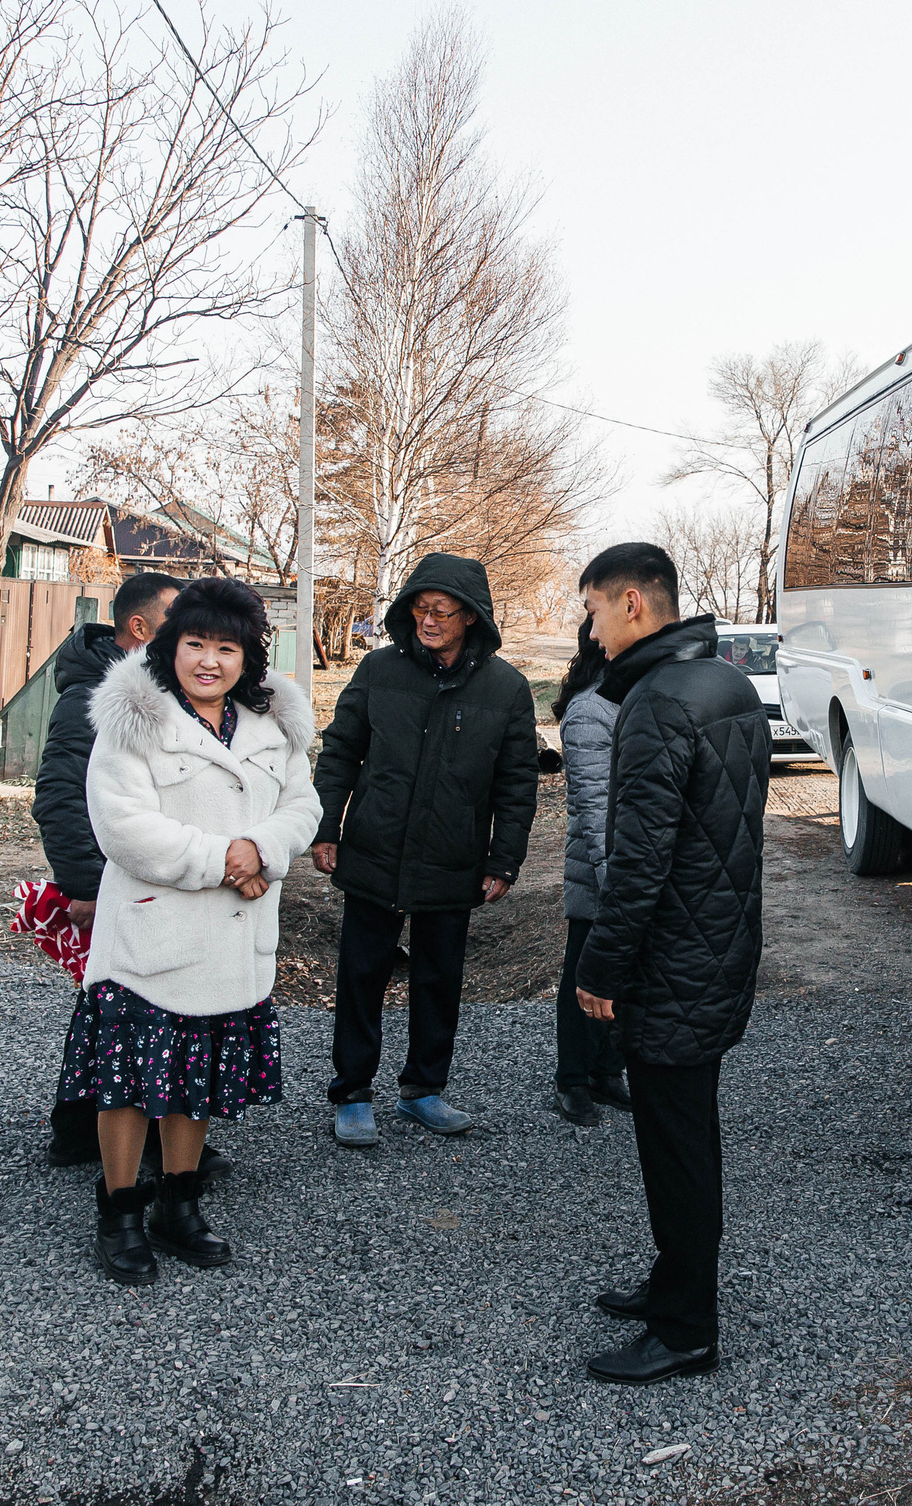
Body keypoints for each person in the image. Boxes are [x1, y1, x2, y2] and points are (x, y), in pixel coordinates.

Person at [70, 578, 319, 1283]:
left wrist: (263, 849)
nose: (209, 660)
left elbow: (303, 805)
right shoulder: (136, 720)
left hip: (233, 937)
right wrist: (226, 857)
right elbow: (123, 826)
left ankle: (179, 1203)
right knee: (126, 1084)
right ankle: (119, 1211)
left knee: (196, 1080)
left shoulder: (272, 724)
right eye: (196, 644)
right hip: (151, 941)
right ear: (170, 646)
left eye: (226, 647)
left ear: (249, 657)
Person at [571, 543, 769, 1385]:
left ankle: (687, 1326)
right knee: (689, 1135)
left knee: (675, 1146)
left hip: (672, 960)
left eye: (592, 610)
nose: (591, 628)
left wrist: (603, 968)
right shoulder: (728, 681)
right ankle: (672, 1283)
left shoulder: (655, 701)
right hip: (720, 946)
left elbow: (640, 859)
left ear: (633, 604)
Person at [309, 554, 539, 1147]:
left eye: (442, 610)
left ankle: (423, 1090)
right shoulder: (378, 670)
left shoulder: (507, 689)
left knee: (440, 977)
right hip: (375, 847)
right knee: (361, 973)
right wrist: (326, 827)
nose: (428, 620)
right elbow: (339, 753)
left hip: (452, 855)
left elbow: (516, 785)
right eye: (419, 607)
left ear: (471, 618)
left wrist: (503, 859)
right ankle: (353, 1091)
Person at [31, 570, 181, 1167]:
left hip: (142, 878)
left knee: (122, 1007)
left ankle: (98, 1131)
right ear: (139, 628)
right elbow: (60, 796)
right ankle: (91, 1134)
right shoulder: (90, 697)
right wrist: (86, 886)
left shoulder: (151, 687)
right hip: (110, 883)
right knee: (120, 1008)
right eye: (178, 621)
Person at [551, 624, 628, 1127]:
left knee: (621, 974)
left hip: (627, 866)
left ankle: (607, 1071)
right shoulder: (589, 709)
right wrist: (614, 881)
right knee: (584, 972)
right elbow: (595, 807)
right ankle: (572, 1080)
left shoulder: (626, 697)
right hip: (599, 868)